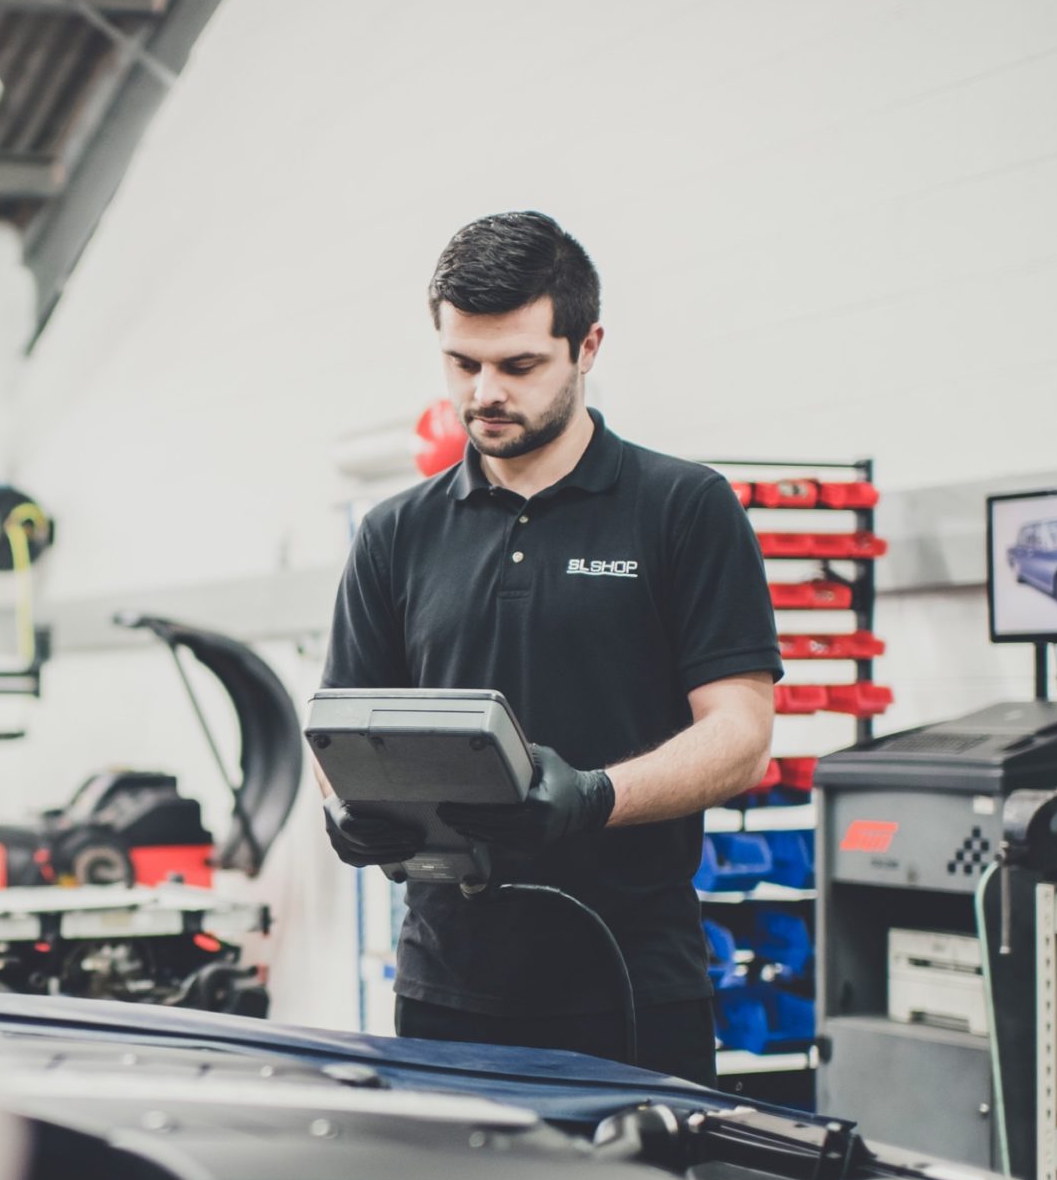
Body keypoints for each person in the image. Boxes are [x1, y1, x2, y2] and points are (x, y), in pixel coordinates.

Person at [318, 211, 780, 1087]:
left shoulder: (683, 508)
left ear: (587, 345)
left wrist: (596, 797)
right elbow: (338, 727)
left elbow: (742, 735)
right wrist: (350, 807)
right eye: (463, 363)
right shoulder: (394, 534)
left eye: (519, 365)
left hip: (631, 985)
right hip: (445, 991)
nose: (485, 392)